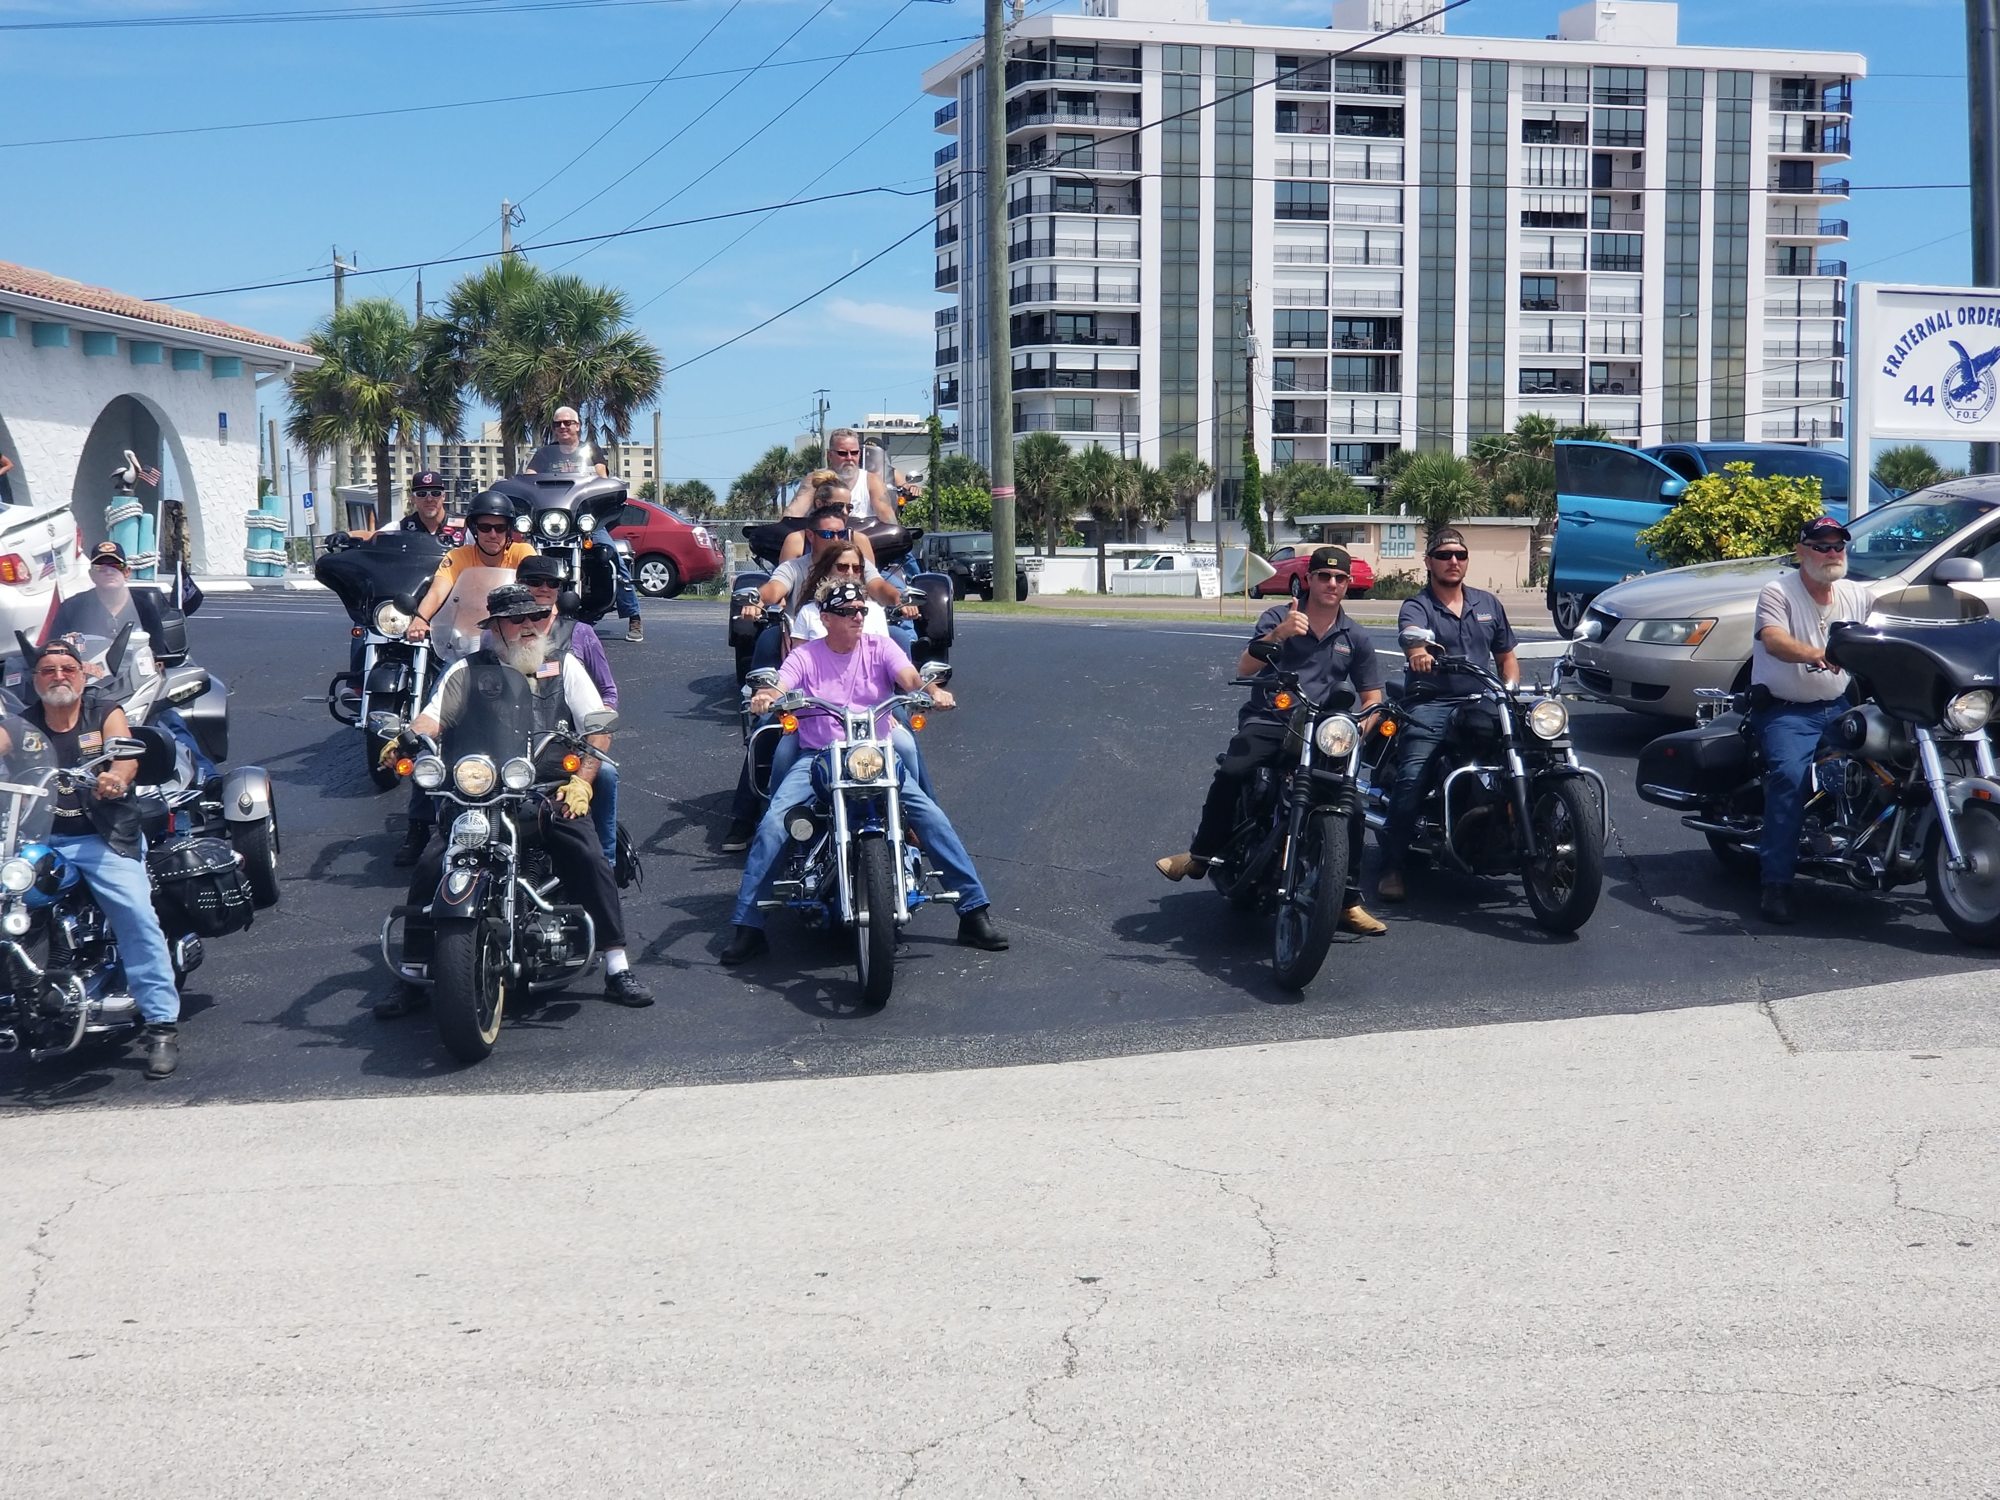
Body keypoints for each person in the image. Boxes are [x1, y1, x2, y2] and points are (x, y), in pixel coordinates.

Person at [377, 583, 652, 1017]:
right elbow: (433, 715)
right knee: (431, 864)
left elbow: (598, 726)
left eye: (534, 618)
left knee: (590, 856)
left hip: (546, 792)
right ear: (496, 627)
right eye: (515, 620)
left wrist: (581, 780)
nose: (527, 627)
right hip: (478, 795)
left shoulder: (565, 668)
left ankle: (617, 966)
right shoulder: (466, 670)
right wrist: (409, 736)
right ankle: (412, 971)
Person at [720, 579, 1007, 965]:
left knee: (930, 817)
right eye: (848, 612)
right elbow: (780, 683)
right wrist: (767, 695)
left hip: (876, 757)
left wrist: (932, 690)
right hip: (820, 757)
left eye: (861, 611)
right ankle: (749, 926)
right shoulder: (807, 657)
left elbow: (910, 678)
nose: (858, 617)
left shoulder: (881, 647)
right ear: (826, 618)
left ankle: (973, 912)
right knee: (774, 823)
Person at [1154, 546, 1388, 936]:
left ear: (1348, 585)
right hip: (1272, 719)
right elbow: (1245, 667)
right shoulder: (1278, 616)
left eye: (1340, 578)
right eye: (1324, 576)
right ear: (1308, 580)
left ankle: (1346, 900)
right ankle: (1200, 855)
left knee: (1354, 809)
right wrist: (1279, 635)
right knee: (1233, 771)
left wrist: (1360, 729)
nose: (1332, 584)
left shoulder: (1356, 637)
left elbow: (1372, 698)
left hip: (1325, 733)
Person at [10, 639, 182, 1077]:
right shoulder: (19, 725)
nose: (58, 676)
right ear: (35, 680)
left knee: (135, 915)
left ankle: (161, 1023)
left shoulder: (104, 713)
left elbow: (124, 754)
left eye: (67, 668)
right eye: (48, 670)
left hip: (101, 836)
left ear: (83, 676)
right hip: (39, 840)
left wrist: (116, 779)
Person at [1377, 527, 1521, 902]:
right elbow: (1413, 638)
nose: (1453, 561)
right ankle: (1392, 866)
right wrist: (1419, 654)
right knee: (1411, 778)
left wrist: (1510, 689)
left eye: (1460, 554)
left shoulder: (1488, 604)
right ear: (1429, 563)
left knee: (1528, 752)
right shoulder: (1418, 605)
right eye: (1444, 555)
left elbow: (1507, 658)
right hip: (1433, 703)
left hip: (1484, 699)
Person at [396, 492, 537, 864]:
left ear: (510, 531)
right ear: (473, 528)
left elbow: (539, 589)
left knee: (534, 723)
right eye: (484, 527)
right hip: (465, 653)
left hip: (511, 655)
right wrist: (423, 618)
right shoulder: (459, 557)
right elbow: (440, 589)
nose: (491, 534)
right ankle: (417, 826)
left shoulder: (523, 555)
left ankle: (533, 815)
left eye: (499, 527)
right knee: (432, 736)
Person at [1747, 517, 1873, 925]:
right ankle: (1776, 884)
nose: (1832, 552)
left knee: (1889, 762)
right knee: (1790, 777)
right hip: (1786, 710)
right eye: (1820, 546)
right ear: (1801, 551)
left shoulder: (1858, 594)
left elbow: (1882, 637)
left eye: (1838, 545)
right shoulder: (1778, 591)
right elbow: (1774, 639)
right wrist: (1816, 653)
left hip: (1838, 708)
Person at [46, 540, 215, 783]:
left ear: (126, 572)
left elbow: (158, 659)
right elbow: (53, 651)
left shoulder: (145, 608)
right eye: (101, 567)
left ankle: (206, 778)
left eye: (115, 566)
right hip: (85, 692)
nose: (108, 571)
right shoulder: (72, 607)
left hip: (133, 688)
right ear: (92, 574)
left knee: (171, 722)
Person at [516, 553, 622, 865]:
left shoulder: (580, 634)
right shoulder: (495, 632)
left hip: (568, 742)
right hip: (510, 741)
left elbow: (608, 691)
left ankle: (606, 860)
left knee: (607, 774)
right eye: (534, 582)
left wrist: (595, 724)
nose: (543, 588)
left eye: (552, 583)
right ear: (518, 585)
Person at [522, 406, 644, 643]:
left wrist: (604, 482)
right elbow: (528, 476)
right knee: (521, 559)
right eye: (558, 424)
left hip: (585, 521)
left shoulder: (591, 451)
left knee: (613, 559)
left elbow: (602, 475)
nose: (563, 427)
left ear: (578, 425)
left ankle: (634, 616)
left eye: (568, 423)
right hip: (552, 521)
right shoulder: (546, 454)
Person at [782, 429, 904, 524]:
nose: (849, 458)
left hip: (866, 547)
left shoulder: (871, 481)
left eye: (854, 453)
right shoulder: (815, 479)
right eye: (842, 453)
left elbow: (889, 520)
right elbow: (793, 514)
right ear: (830, 455)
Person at [401, 470, 465, 545]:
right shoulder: (400, 528)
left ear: (444, 496)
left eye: (435, 493)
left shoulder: (465, 528)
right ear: (413, 498)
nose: (429, 499)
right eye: (421, 494)